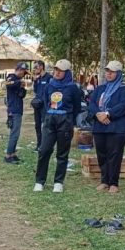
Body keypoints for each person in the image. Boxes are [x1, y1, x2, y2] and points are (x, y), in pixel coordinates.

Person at [33, 59, 81, 193]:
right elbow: (45, 101)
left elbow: (77, 106)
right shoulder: (49, 85)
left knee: (62, 153)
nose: (57, 73)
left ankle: (58, 182)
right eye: (56, 70)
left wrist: (69, 120)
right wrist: (47, 117)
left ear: (67, 72)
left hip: (65, 120)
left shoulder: (72, 87)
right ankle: (40, 181)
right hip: (50, 119)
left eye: (61, 71)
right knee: (44, 150)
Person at [87, 60, 125, 193]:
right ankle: (104, 180)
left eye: (112, 72)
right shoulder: (101, 88)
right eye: (107, 71)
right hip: (100, 127)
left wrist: (107, 113)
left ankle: (114, 183)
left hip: (117, 127)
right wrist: (98, 114)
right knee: (101, 154)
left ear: (118, 73)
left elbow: (123, 106)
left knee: (115, 154)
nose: (109, 74)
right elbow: (91, 103)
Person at [4, 62, 28, 164]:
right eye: (23, 71)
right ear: (19, 69)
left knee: (16, 134)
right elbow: (8, 84)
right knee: (14, 134)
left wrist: (22, 88)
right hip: (13, 110)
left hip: (18, 109)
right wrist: (20, 83)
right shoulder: (11, 77)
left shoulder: (18, 81)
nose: (23, 74)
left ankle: (13, 154)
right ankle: (8, 155)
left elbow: (22, 94)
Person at [31, 60, 51, 151]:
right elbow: (35, 91)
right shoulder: (37, 78)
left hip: (45, 106)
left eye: (36, 67)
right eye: (34, 67)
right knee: (37, 125)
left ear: (41, 67)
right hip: (37, 105)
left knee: (45, 125)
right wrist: (35, 81)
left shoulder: (49, 78)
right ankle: (39, 144)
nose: (34, 69)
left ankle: (45, 144)